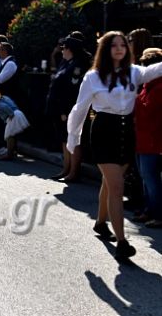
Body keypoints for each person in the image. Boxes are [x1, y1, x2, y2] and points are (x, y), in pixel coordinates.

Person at [67, 31, 162, 261]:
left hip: (126, 132)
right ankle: (121, 242)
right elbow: (80, 108)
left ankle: (100, 223)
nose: (120, 48)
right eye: (114, 45)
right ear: (105, 49)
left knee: (110, 184)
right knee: (117, 187)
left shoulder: (134, 72)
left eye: (123, 44)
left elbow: (156, 70)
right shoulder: (93, 77)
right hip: (104, 131)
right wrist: (73, 137)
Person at [47, 36, 89, 182]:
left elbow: (71, 91)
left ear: (70, 49)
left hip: (68, 109)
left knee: (73, 140)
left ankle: (73, 172)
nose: (61, 50)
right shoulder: (65, 63)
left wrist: (65, 111)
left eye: (64, 48)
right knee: (64, 140)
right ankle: (66, 169)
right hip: (59, 108)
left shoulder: (77, 65)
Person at [133, 48, 162, 229]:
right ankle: (149, 210)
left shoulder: (158, 88)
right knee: (146, 177)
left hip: (151, 140)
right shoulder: (148, 86)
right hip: (143, 138)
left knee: (151, 178)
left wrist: (133, 100)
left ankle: (158, 214)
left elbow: (146, 111)